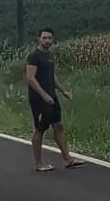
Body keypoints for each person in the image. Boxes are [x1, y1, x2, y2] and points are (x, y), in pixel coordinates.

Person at [25, 27, 85, 172]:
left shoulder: (50, 55)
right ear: (38, 39)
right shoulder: (35, 56)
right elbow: (30, 78)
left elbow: (52, 77)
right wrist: (43, 95)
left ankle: (68, 159)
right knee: (40, 129)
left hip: (52, 97)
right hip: (39, 99)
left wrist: (63, 91)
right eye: (44, 38)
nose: (47, 41)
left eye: (49, 38)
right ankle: (39, 163)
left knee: (58, 126)